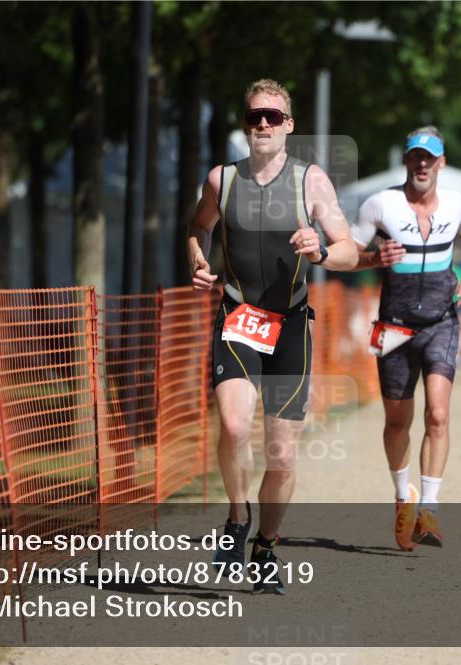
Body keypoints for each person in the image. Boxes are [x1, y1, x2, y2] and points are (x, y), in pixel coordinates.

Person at [186, 79, 357, 594]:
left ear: (289, 125)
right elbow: (198, 227)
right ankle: (238, 518)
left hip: (290, 326)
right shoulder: (222, 179)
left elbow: (349, 249)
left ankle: (265, 546)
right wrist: (197, 260)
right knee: (234, 426)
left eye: (273, 116)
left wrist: (321, 250)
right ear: (245, 124)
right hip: (238, 317)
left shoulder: (311, 182)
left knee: (281, 455)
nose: (263, 123)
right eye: (254, 116)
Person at [349, 126, 461, 550]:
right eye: (415, 156)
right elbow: (347, 254)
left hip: (442, 321)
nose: (421, 164)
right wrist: (373, 258)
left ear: (442, 162)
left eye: (429, 157)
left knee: (438, 415)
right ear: (406, 160)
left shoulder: (458, 202)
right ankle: (402, 497)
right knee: (397, 422)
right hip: (392, 327)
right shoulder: (380, 205)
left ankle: (429, 508)